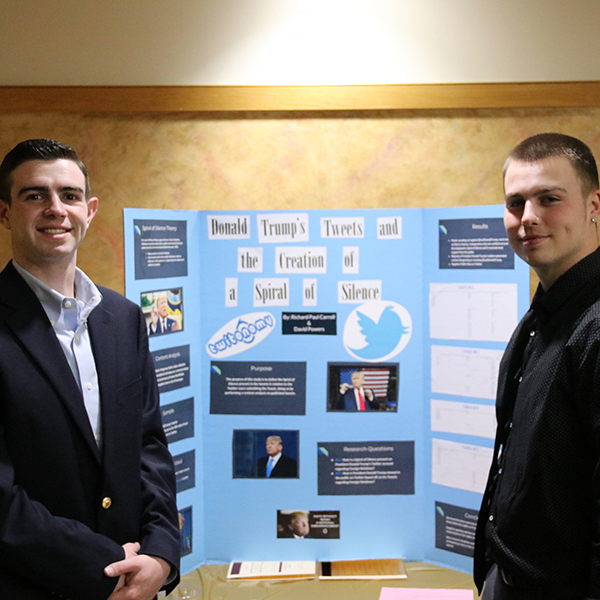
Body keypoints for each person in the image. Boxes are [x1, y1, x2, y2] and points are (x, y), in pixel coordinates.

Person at [0, 139, 180, 600]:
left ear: (90, 209)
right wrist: (105, 565)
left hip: (135, 583)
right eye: (35, 195)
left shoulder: (122, 318)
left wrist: (160, 555)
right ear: (5, 213)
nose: (55, 209)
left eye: (70, 195)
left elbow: (149, 446)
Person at [474, 133, 600, 599]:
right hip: (507, 577)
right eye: (515, 203)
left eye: (549, 199)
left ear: (593, 205)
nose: (528, 218)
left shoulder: (596, 329)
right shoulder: (539, 319)